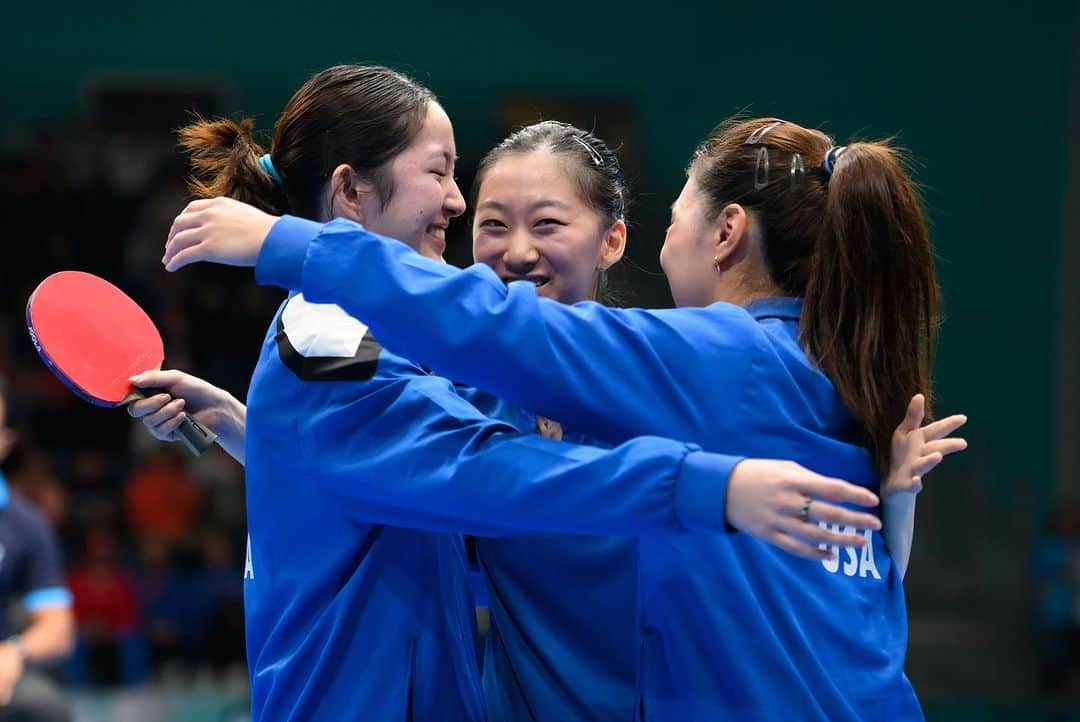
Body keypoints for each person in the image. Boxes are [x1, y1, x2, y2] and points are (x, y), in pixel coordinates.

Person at [163, 115, 965, 721]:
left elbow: (504, 343)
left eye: (547, 223)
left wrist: (290, 243)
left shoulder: (708, 366)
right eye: (488, 222)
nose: (515, 252)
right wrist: (263, 432)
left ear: (718, 234)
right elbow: (434, 476)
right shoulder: (817, 372)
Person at [0, 378, 74, 722]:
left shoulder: (25, 523)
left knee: (45, 707)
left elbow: (57, 627)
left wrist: (13, 654)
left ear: (5, 441)